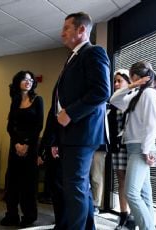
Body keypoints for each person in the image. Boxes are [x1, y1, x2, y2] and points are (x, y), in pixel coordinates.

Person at [40, 12, 111, 229]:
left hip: (82, 133)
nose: (62, 33)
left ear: (81, 30)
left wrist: (71, 112)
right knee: (79, 186)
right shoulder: (72, 57)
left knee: (75, 187)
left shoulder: (94, 52)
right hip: (70, 134)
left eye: (66, 28)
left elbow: (102, 91)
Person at [110, 61, 156, 230]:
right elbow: (114, 99)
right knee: (145, 195)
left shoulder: (149, 94)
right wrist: (132, 85)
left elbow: (153, 124)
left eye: (132, 76)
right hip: (134, 147)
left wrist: (146, 150)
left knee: (131, 193)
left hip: (142, 148)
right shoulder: (137, 94)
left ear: (137, 75)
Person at [0, 70, 43, 227]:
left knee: (28, 184)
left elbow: (39, 125)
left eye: (31, 79)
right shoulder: (15, 100)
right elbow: (10, 126)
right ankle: (11, 215)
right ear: (18, 82)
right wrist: (17, 143)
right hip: (15, 146)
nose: (28, 81)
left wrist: (26, 144)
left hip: (30, 147)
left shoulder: (38, 100)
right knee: (11, 181)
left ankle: (29, 216)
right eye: (25, 79)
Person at [108, 69, 134, 229]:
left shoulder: (133, 98)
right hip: (117, 146)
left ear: (128, 81)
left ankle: (133, 215)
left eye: (120, 81)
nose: (116, 84)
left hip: (131, 144)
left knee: (133, 182)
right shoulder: (113, 101)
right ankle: (123, 215)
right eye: (115, 81)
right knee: (122, 180)